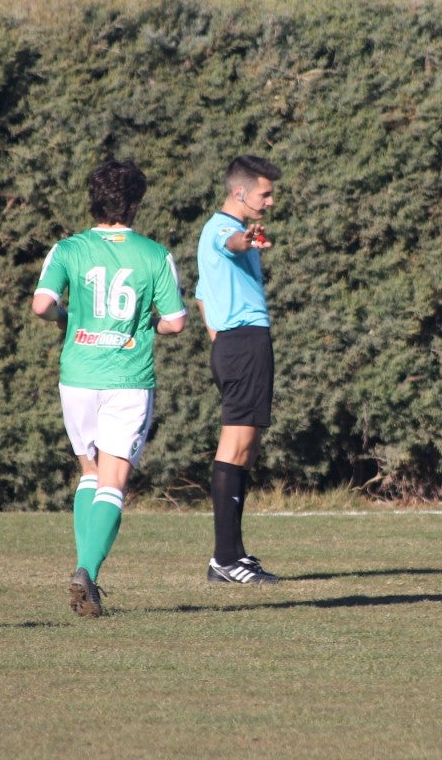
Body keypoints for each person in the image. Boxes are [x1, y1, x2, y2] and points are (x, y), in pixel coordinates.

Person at [32, 159, 188, 617]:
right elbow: (176, 323)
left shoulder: (67, 249)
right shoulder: (155, 254)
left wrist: (67, 318)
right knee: (114, 481)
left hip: (77, 375)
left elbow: (42, 305)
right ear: (136, 203)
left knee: (89, 472)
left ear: (92, 201)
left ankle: (86, 573)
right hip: (127, 378)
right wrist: (149, 326)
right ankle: (86, 571)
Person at [195, 155, 283, 584]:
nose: (270, 201)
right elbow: (233, 241)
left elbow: (201, 296)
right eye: (264, 193)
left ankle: (232, 555)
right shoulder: (221, 229)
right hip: (243, 342)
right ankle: (225, 560)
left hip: (239, 343)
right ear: (240, 192)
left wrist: (219, 340)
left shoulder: (220, 231)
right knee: (235, 447)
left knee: (245, 449)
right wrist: (247, 241)